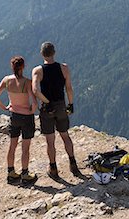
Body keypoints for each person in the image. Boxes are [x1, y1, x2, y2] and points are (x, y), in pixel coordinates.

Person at [32, 42, 80, 178]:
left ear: (42, 54)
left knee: (50, 140)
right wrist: (70, 104)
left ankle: (53, 169)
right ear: (54, 53)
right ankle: (73, 164)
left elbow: (35, 90)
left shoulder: (38, 70)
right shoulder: (64, 68)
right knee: (65, 135)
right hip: (61, 106)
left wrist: (46, 101)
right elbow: (69, 88)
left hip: (47, 108)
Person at [0, 56, 38, 184]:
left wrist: (5, 108)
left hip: (14, 116)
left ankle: (11, 173)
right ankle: (25, 174)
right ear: (23, 67)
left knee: (12, 146)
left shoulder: (6, 81)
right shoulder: (27, 82)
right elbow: (34, 103)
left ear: (12, 67)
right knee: (25, 148)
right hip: (26, 117)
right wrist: (31, 111)